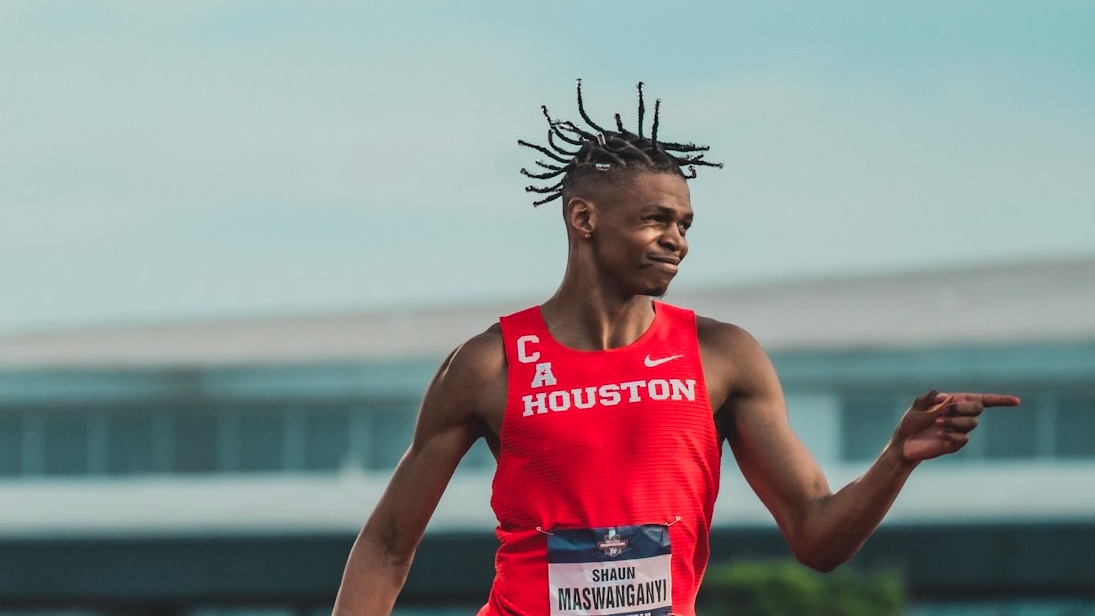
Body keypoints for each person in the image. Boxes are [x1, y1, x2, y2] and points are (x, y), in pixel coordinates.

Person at [332, 80, 1020, 616]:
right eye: (655, 220)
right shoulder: (491, 364)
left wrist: (897, 458)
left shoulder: (722, 357)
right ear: (584, 219)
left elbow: (817, 538)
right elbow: (388, 543)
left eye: (685, 224)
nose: (677, 241)